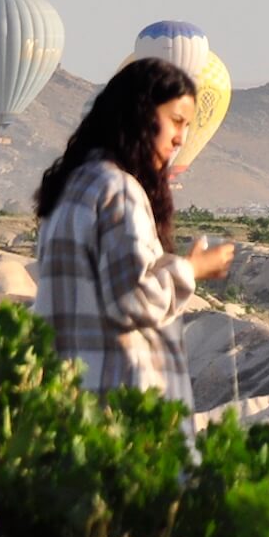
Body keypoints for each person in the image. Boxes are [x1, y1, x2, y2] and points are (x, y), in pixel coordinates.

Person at [34, 56, 235, 406]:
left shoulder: (73, 188)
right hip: (121, 405)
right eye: (175, 121)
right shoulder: (119, 190)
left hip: (72, 401)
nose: (180, 140)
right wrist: (192, 269)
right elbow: (132, 300)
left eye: (187, 127)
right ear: (140, 114)